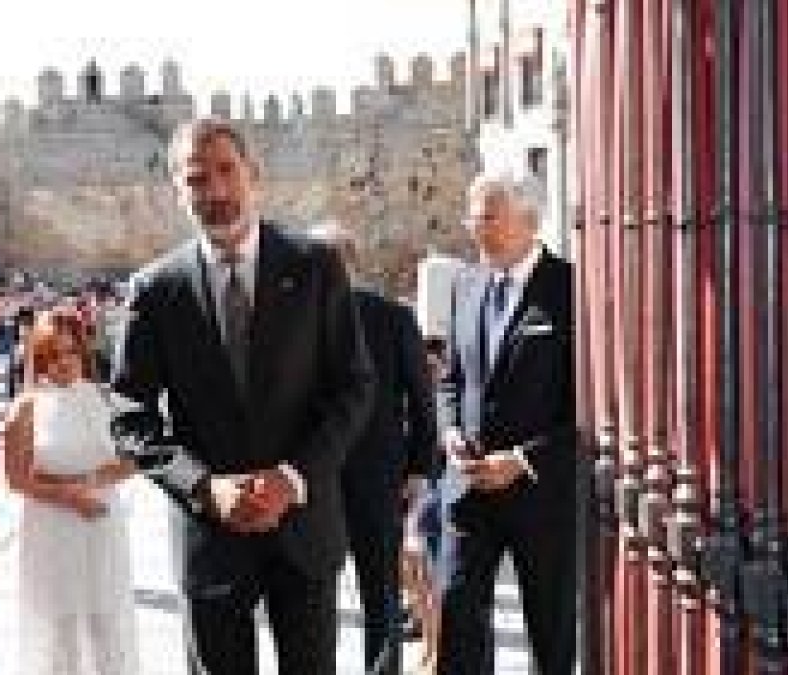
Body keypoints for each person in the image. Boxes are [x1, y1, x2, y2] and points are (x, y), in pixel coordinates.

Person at [110, 116, 376, 674]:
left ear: (253, 173)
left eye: (227, 171)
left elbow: (354, 387)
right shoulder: (156, 291)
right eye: (197, 179)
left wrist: (293, 478)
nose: (217, 191)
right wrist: (205, 488)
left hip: (303, 531)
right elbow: (130, 415)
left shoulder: (316, 266)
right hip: (211, 538)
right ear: (179, 192)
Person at [434, 167, 577, 674]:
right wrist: (449, 432)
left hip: (541, 496)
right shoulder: (465, 284)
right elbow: (450, 380)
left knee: (551, 635)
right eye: (471, 216)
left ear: (529, 221)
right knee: (456, 615)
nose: (474, 227)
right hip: (468, 491)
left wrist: (520, 461)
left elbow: (590, 408)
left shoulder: (569, 289)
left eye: (487, 217)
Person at [310, 224, 438, 675]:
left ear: (349, 263)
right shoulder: (291, 324)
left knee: (380, 594)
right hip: (311, 482)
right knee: (312, 597)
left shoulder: (392, 319)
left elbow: (423, 402)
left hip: (378, 479)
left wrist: (421, 469)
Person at [3, 306, 139, 675]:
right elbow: (15, 478)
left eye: (70, 352)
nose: (63, 362)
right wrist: (68, 496)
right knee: (58, 627)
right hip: (52, 527)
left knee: (105, 619)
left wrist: (89, 484)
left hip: (100, 522)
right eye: (52, 355)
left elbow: (133, 460)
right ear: (39, 358)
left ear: (83, 351)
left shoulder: (105, 400)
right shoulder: (25, 408)